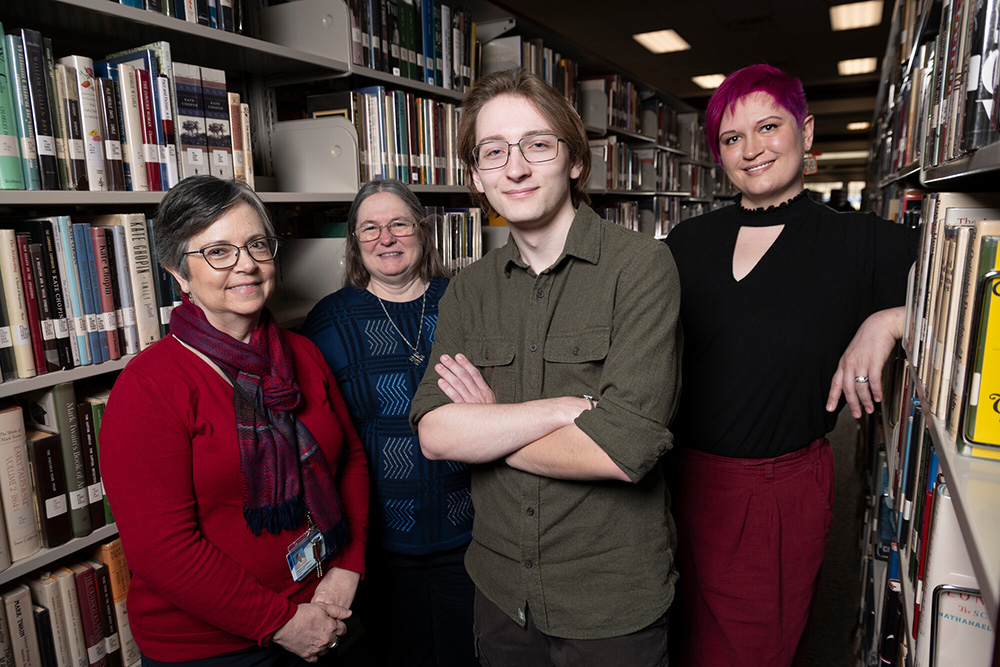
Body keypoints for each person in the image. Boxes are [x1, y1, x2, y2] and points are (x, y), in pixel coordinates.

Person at [409, 68, 682, 667]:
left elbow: (622, 449)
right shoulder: (468, 291)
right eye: (494, 152)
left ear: (575, 161)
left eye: (537, 144)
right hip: (501, 593)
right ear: (478, 177)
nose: (516, 168)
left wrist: (487, 427)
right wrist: (557, 412)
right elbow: (434, 433)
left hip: (611, 601)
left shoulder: (641, 268)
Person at [664, 64, 919, 666]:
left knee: (750, 651)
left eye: (768, 127)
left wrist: (891, 320)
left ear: (805, 134)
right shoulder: (685, 242)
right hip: (670, 483)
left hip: (775, 492)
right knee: (673, 641)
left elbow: (971, 289)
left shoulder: (862, 243)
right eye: (732, 138)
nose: (751, 150)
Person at [100, 175, 370, 666]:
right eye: (218, 251)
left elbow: (349, 458)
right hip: (215, 648)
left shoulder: (303, 354)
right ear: (178, 274)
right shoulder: (148, 387)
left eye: (256, 245)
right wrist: (282, 622)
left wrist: (348, 565)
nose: (246, 264)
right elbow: (163, 551)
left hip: (324, 607)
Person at [301, 178, 476, 667]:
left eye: (399, 223)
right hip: (380, 541)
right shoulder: (329, 321)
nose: (386, 238)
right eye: (370, 228)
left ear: (421, 230)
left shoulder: (469, 301)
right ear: (356, 244)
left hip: (472, 532)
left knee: (470, 655)